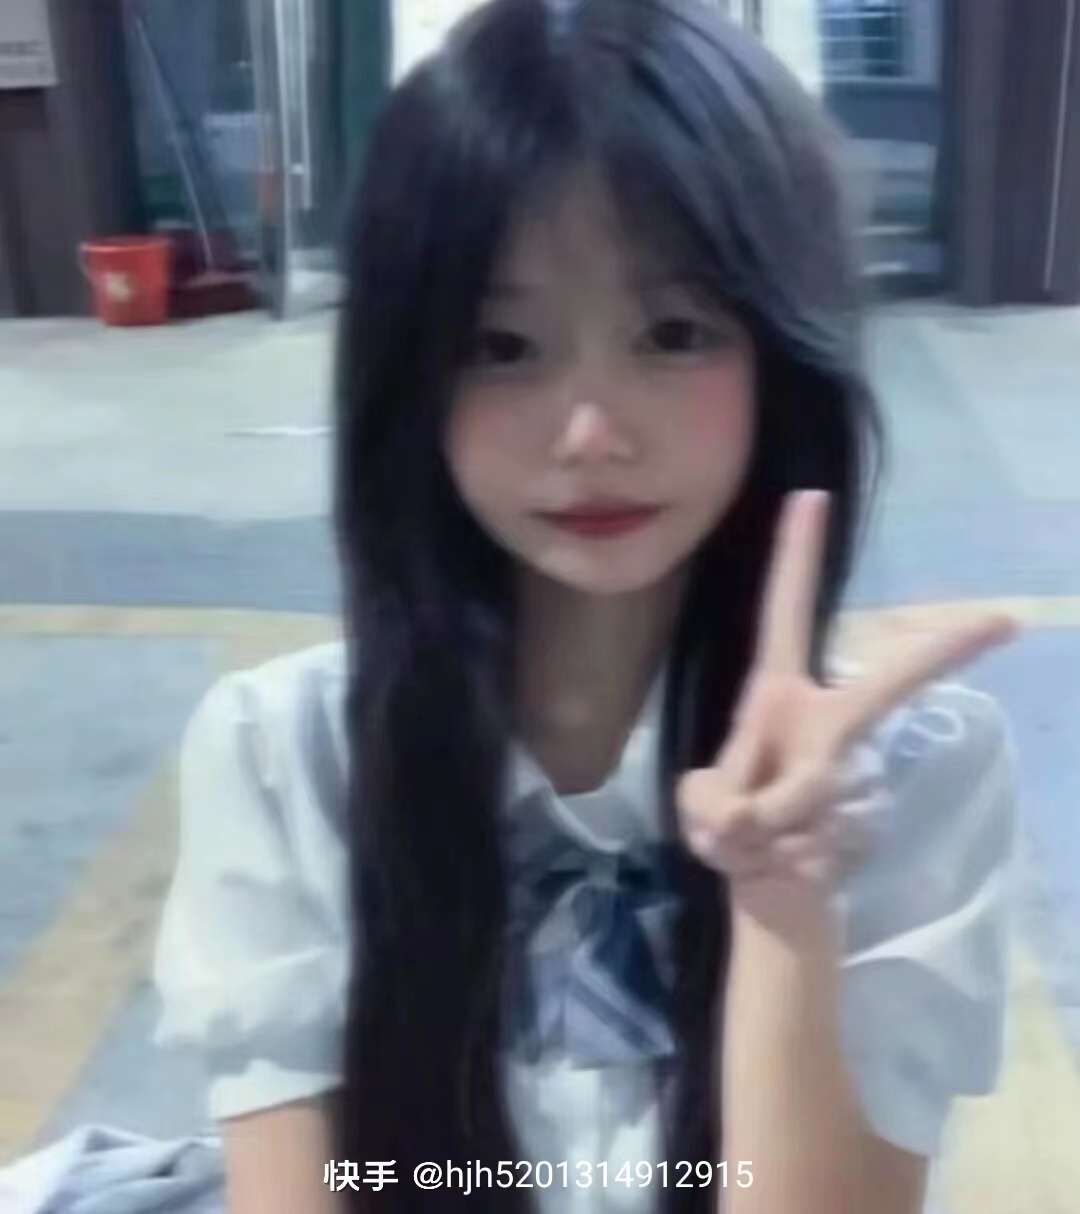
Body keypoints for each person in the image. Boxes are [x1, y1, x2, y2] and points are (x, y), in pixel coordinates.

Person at [151, 1, 1021, 1211]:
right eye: (503, 345)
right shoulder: (283, 753)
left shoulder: (906, 773)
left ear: (782, 353)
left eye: (674, 332)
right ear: (409, 377)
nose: (592, 432)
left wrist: (784, 901)